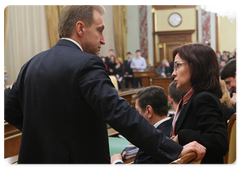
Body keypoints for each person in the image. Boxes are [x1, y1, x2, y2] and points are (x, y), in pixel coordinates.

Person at [2, 3, 206, 164]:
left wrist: (46, 135)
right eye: (100, 30)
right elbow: (121, 115)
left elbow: (10, 111)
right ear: (80, 28)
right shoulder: (86, 63)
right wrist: (175, 150)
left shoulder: (31, 63)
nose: (103, 40)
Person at [171, 43, 229, 164]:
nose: (173, 73)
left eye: (177, 66)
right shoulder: (193, 97)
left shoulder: (204, 98)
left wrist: (181, 137)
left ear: (196, 67)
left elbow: (219, 142)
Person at [111, 86, 173, 165]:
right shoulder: (175, 127)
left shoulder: (149, 144)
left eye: (137, 111)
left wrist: (116, 162)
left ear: (148, 111)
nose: (136, 116)